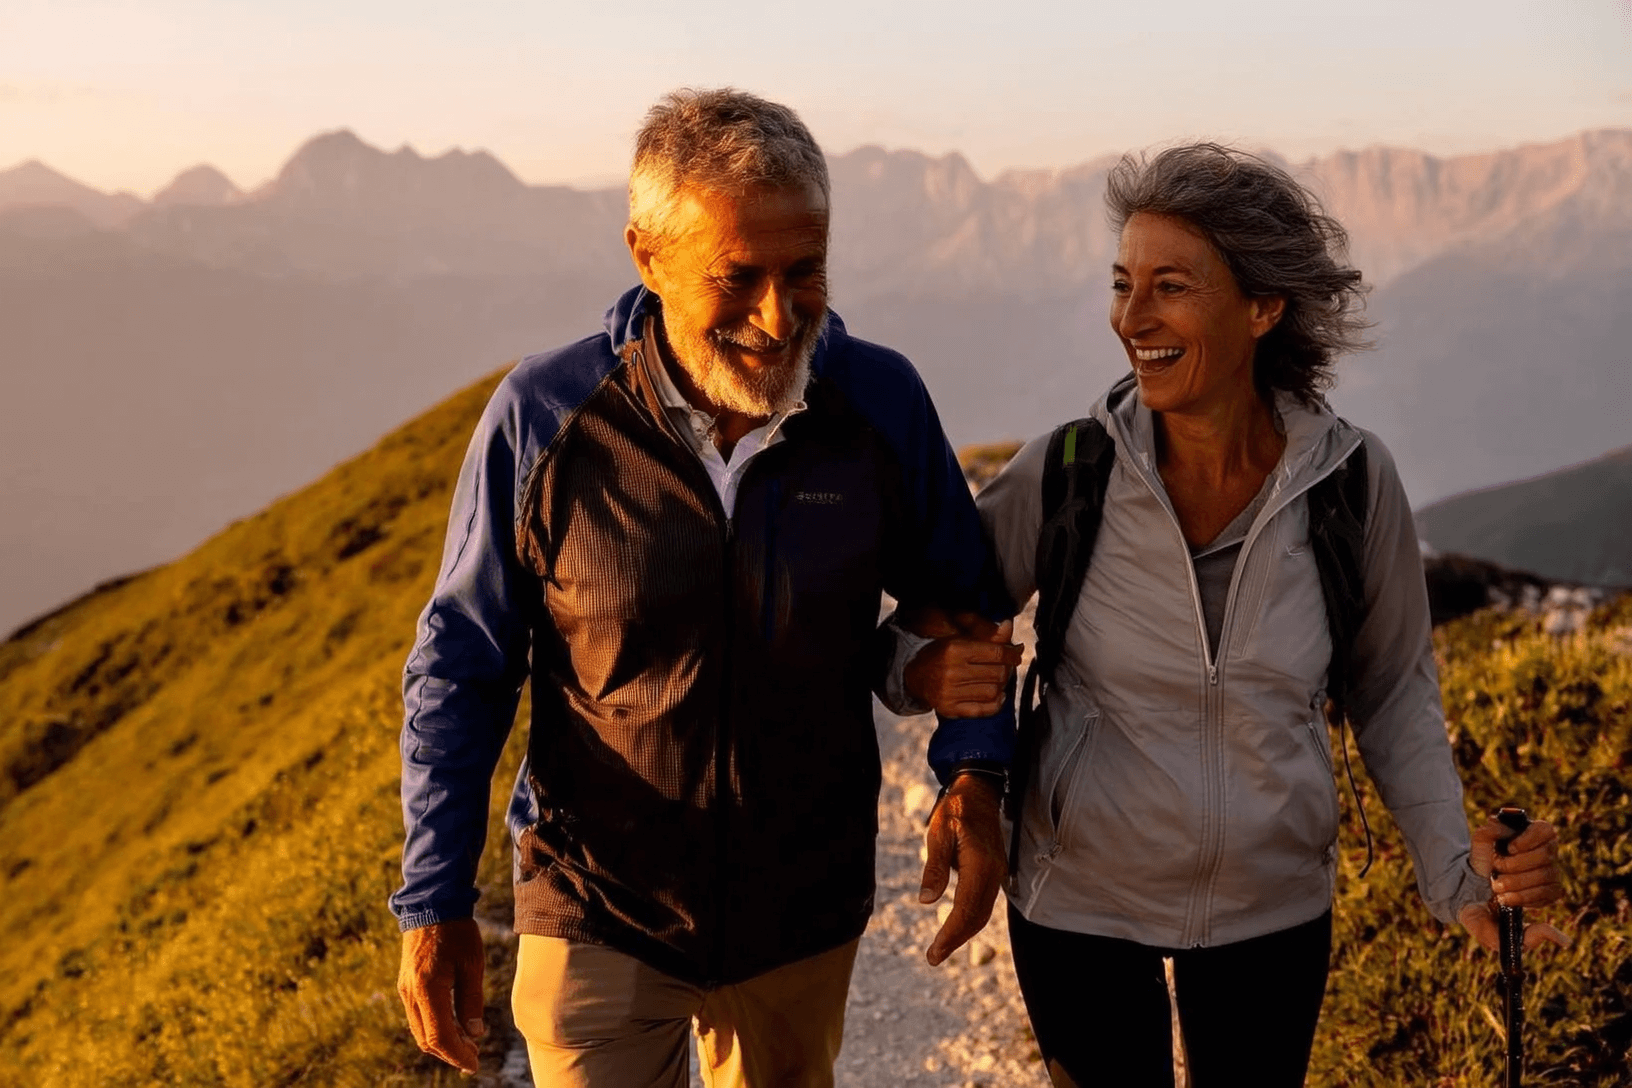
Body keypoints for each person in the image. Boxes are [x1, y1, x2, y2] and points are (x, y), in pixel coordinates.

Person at [388, 88, 1016, 1088]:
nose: (779, 314)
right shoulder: (544, 417)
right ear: (647, 256)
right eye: (739, 277)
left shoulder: (878, 401)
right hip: (593, 910)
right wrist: (434, 898)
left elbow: (963, 605)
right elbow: (462, 664)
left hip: (799, 918)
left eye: (804, 271)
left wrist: (974, 778)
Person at [910, 144, 1567, 1087]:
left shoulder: (1351, 483)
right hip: (1080, 901)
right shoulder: (1068, 473)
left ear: (1263, 309)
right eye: (1122, 284)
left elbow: (1392, 697)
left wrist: (1458, 878)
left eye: (1170, 287)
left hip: (1273, 908)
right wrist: (930, 684)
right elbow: (920, 632)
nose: (1132, 320)